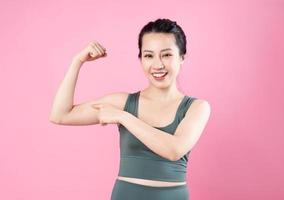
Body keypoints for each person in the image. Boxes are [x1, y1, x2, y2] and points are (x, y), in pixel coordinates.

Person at [49, 18, 211, 200]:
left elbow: (174, 150)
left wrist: (123, 117)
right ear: (141, 59)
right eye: (149, 55)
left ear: (182, 57)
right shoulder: (123, 102)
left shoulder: (197, 107)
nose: (157, 64)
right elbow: (60, 115)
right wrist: (77, 61)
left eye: (166, 55)